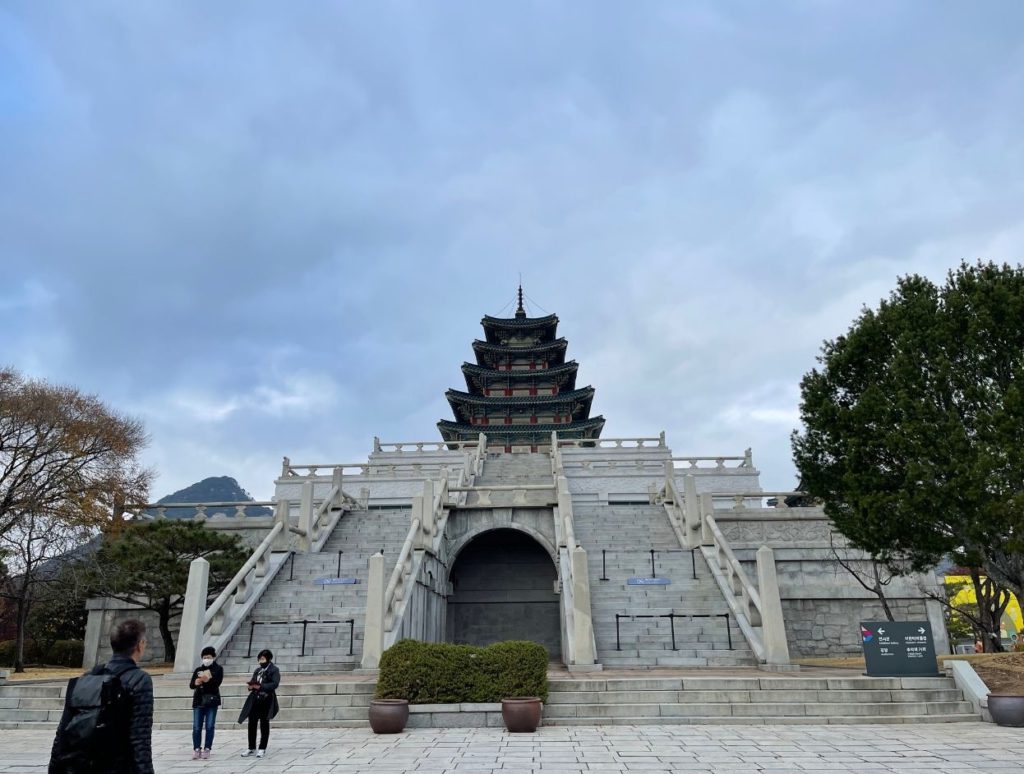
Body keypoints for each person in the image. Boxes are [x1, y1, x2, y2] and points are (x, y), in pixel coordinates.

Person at [49, 618, 154, 773]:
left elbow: (62, 731)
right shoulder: (140, 679)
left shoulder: (86, 679)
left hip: (83, 765)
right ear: (140, 645)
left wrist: (54, 768)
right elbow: (140, 739)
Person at [238, 649, 280, 759]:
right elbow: (253, 680)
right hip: (255, 699)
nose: (261, 661)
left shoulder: (274, 670)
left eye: (263, 659)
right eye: (259, 659)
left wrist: (261, 687)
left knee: (264, 724)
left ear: (268, 659)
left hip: (266, 699)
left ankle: (262, 748)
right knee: (252, 723)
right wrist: (251, 686)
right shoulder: (258, 670)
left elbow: (274, 684)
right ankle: (251, 747)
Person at [188, 645, 224, 760]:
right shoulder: (198, 669)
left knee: (209, 726)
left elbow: (217, 683)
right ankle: (196, 748)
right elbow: (191, 685)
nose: (206, 659)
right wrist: (196, 682)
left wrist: (209, 680)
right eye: (204, 657)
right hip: (199, 700)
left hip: (211, 701)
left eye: (208, 657)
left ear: (213, 657)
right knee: (197, 727)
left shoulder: (218, 669)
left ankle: (207, 748)